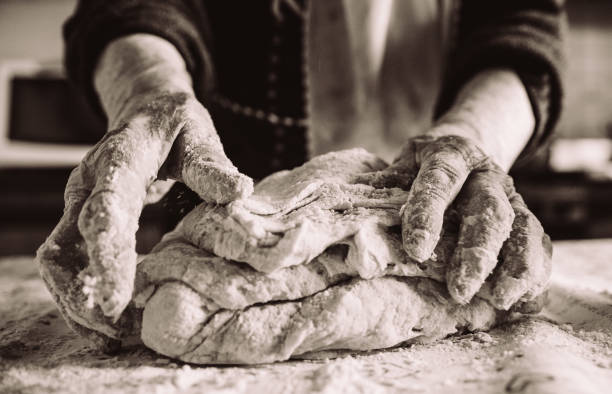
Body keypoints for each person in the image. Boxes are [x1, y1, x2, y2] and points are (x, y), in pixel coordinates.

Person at [38, 0, 566, 350]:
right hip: (228, 198)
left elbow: (521, 24)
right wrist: (149, 90)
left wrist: (472, 135)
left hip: (446, 202)